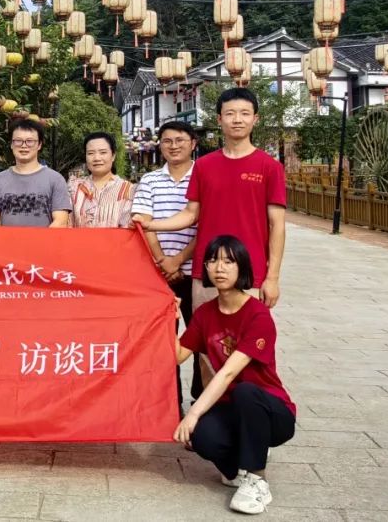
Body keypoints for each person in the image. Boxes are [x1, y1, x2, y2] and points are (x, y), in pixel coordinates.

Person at [133, 88, 286, 311]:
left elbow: (277, 226)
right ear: (219, 119)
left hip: (249, 271)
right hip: (208, 270)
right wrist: (150, 224)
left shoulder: (270, 167)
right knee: (205, 332)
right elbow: (190, 214)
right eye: (230, 113)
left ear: (255, 119)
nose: (237, 120)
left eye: (244, 113)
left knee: (246, 333)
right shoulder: (204, 166)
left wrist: (272, 278)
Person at [174, 236, 295, 515]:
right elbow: (177, 355)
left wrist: (192, 413)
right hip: (232, 409)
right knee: (202, 437)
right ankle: (240, 467)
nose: (219, 268)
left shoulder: (258, 315)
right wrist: (168, 318)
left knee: (244, 392)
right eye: (213, 260)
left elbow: (229, 373)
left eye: (229, 261)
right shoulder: (205, 314)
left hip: (271, 412)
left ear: (242, 267)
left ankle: (257, 479)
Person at [132, 120, 200, 408]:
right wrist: (163, 261)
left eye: (180, 140)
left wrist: (178, 260)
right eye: (167, 141)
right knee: (161, 342)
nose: (174, 146)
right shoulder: (149, 180)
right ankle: (169, 405)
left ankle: (202, 401)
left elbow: (205, 225)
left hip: (196, 273)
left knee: (201, 339)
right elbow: (142, 222)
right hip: (158, 275)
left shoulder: (204, 176)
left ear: (193, 143)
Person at [0, 119, 70, 227]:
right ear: (11, 144)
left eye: (30, 141)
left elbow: (60, 222)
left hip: (45, 238)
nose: (24, 145)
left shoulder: (55, 179)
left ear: (39, 145)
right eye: (18, 141)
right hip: (6, 238)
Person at [67, 131, 134, 228]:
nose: (97, 158)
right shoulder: (74, 188)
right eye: (90, 153)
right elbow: (67, 225)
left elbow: (128, 228)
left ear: (113, 156)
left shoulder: (127, 189)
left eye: (103, 152)